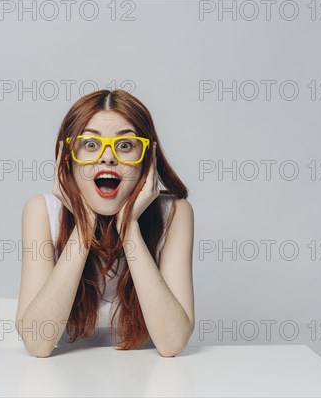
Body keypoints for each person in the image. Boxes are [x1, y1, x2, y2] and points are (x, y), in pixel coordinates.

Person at [16, 89, 194, 357]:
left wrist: (129, 227)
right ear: (67, 158)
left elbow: (172, 344)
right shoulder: (40, 211)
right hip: (64, 378)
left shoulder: (176, 214)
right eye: (90, 144)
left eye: (125, 145)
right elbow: (37, 343)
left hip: (146, 377)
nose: (108, 157)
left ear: (147, 159)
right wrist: (84, 225)